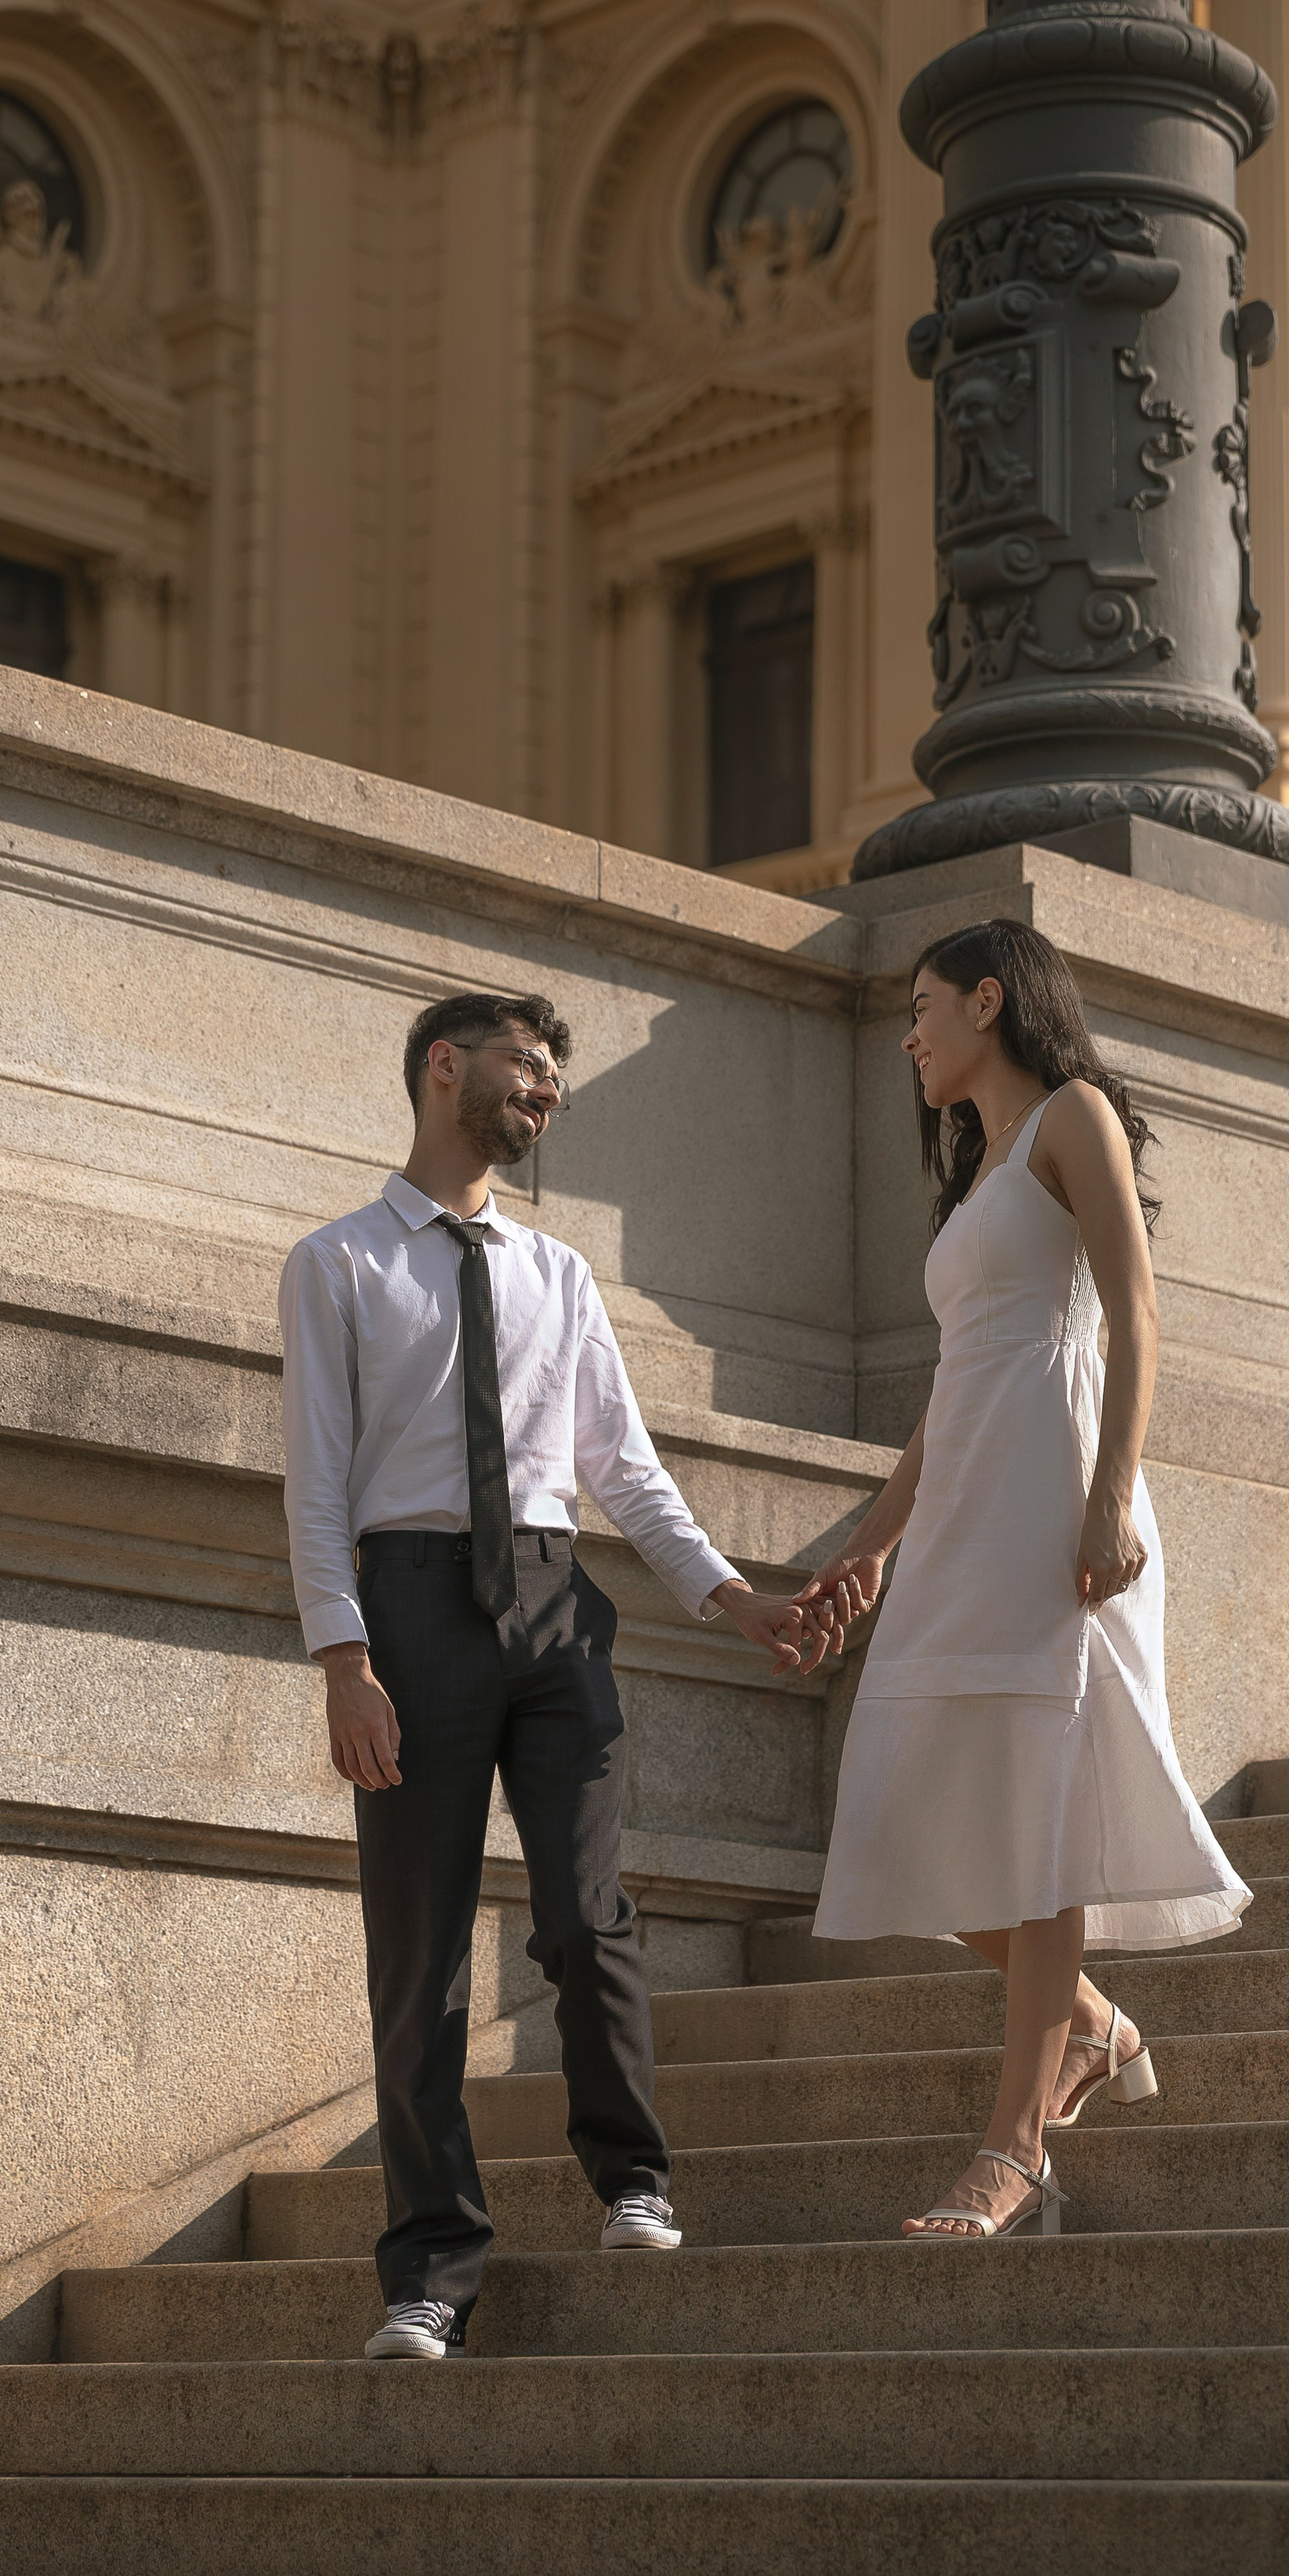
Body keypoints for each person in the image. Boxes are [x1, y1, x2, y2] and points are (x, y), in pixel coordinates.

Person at [281, 989, 832, 2357]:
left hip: (551, 1604)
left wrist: (732, 1599)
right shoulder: (338, 1263)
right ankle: (430, 2270)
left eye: (554, 1075)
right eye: (526, 1064)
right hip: (408, 1612)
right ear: (442, 1066)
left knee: (589, 1915)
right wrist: (344, 1657)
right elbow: (317, 1481)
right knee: (419, 1956)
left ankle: (633, 2176)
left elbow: (622, 1469)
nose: (547, 1091)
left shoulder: (560, 1275)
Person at [800, 921, 1249, 2241]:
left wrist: (1112, 1494)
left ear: (990, 1000)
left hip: (1055, 1503)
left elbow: (1135, 1310)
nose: (909, 1035)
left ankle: (1015, 2150)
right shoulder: (980, 1169)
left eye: (924, 1007)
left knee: (1040, 1813)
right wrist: (871, 1540)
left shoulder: (1073, 1117)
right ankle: (1089, 2024)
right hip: (967, 1508)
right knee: (905, 1810)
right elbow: (955, 1390)